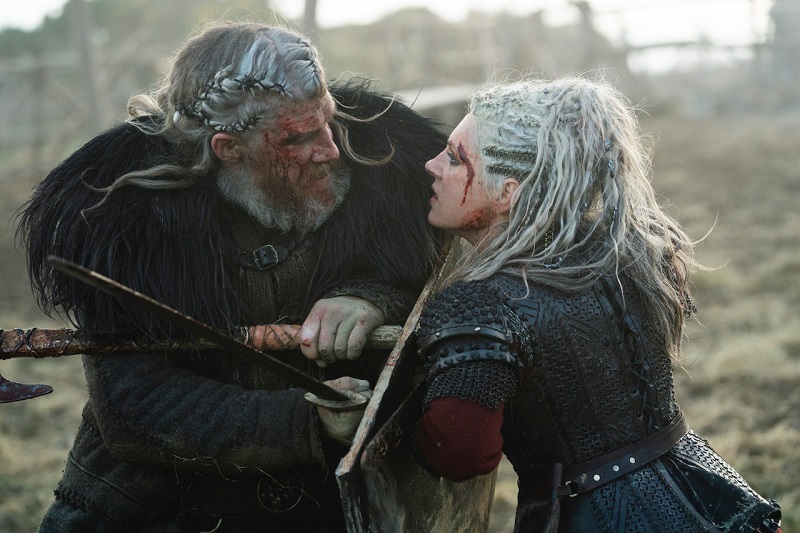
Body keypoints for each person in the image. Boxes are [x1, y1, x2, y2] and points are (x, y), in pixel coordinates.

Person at [16, 21, 446, 532]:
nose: (331, 148)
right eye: (298, 137)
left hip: (325, 507)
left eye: (327, 121)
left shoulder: (381, 178)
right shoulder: (128, 226)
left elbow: (415, 279)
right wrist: (305, 420)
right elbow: (135, 407)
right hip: (153, 510)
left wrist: (369, 297)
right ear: (228, 148)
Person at [413, 76, 782, 532]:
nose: (432, 165)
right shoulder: (631, 253)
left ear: (507, 193)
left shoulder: (480, 303)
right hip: (702, 486)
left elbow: (461, 453)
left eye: (455, 158)